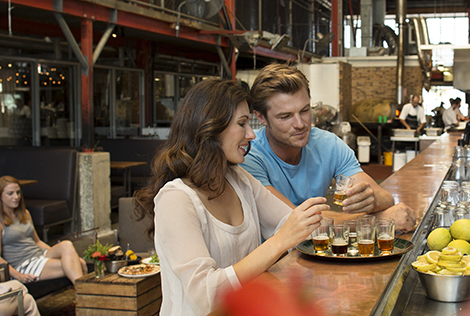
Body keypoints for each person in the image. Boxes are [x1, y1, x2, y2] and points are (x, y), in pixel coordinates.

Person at [133, 79, 328, 316]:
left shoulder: (238, 179)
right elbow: (204, 296)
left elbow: (294, 228)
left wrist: (318, 223)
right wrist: (279, 241)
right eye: (242, 124)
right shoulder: (176, 199)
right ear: (211, 128)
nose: (251, 135)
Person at [241, 63, 417, 232]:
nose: (300, 124)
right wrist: (376, 221)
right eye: (285, 116)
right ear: (261, 117)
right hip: (275, 259)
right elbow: (295, 222)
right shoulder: (249, 156)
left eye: (304, 111)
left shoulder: (328, 144)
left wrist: (372, 199)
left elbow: (385, 197)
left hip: (316, 251)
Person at [0, 176, 87, 285]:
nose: (16, 197)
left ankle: (83, 293)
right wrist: (19, 276)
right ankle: (82, 291)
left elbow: (37, 242)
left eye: (18, 192)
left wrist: (67, 257)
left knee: (66, 245)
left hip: (39, 254)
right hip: (24, 264)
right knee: (72, 266)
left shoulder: (25, 213)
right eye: (10, 193)